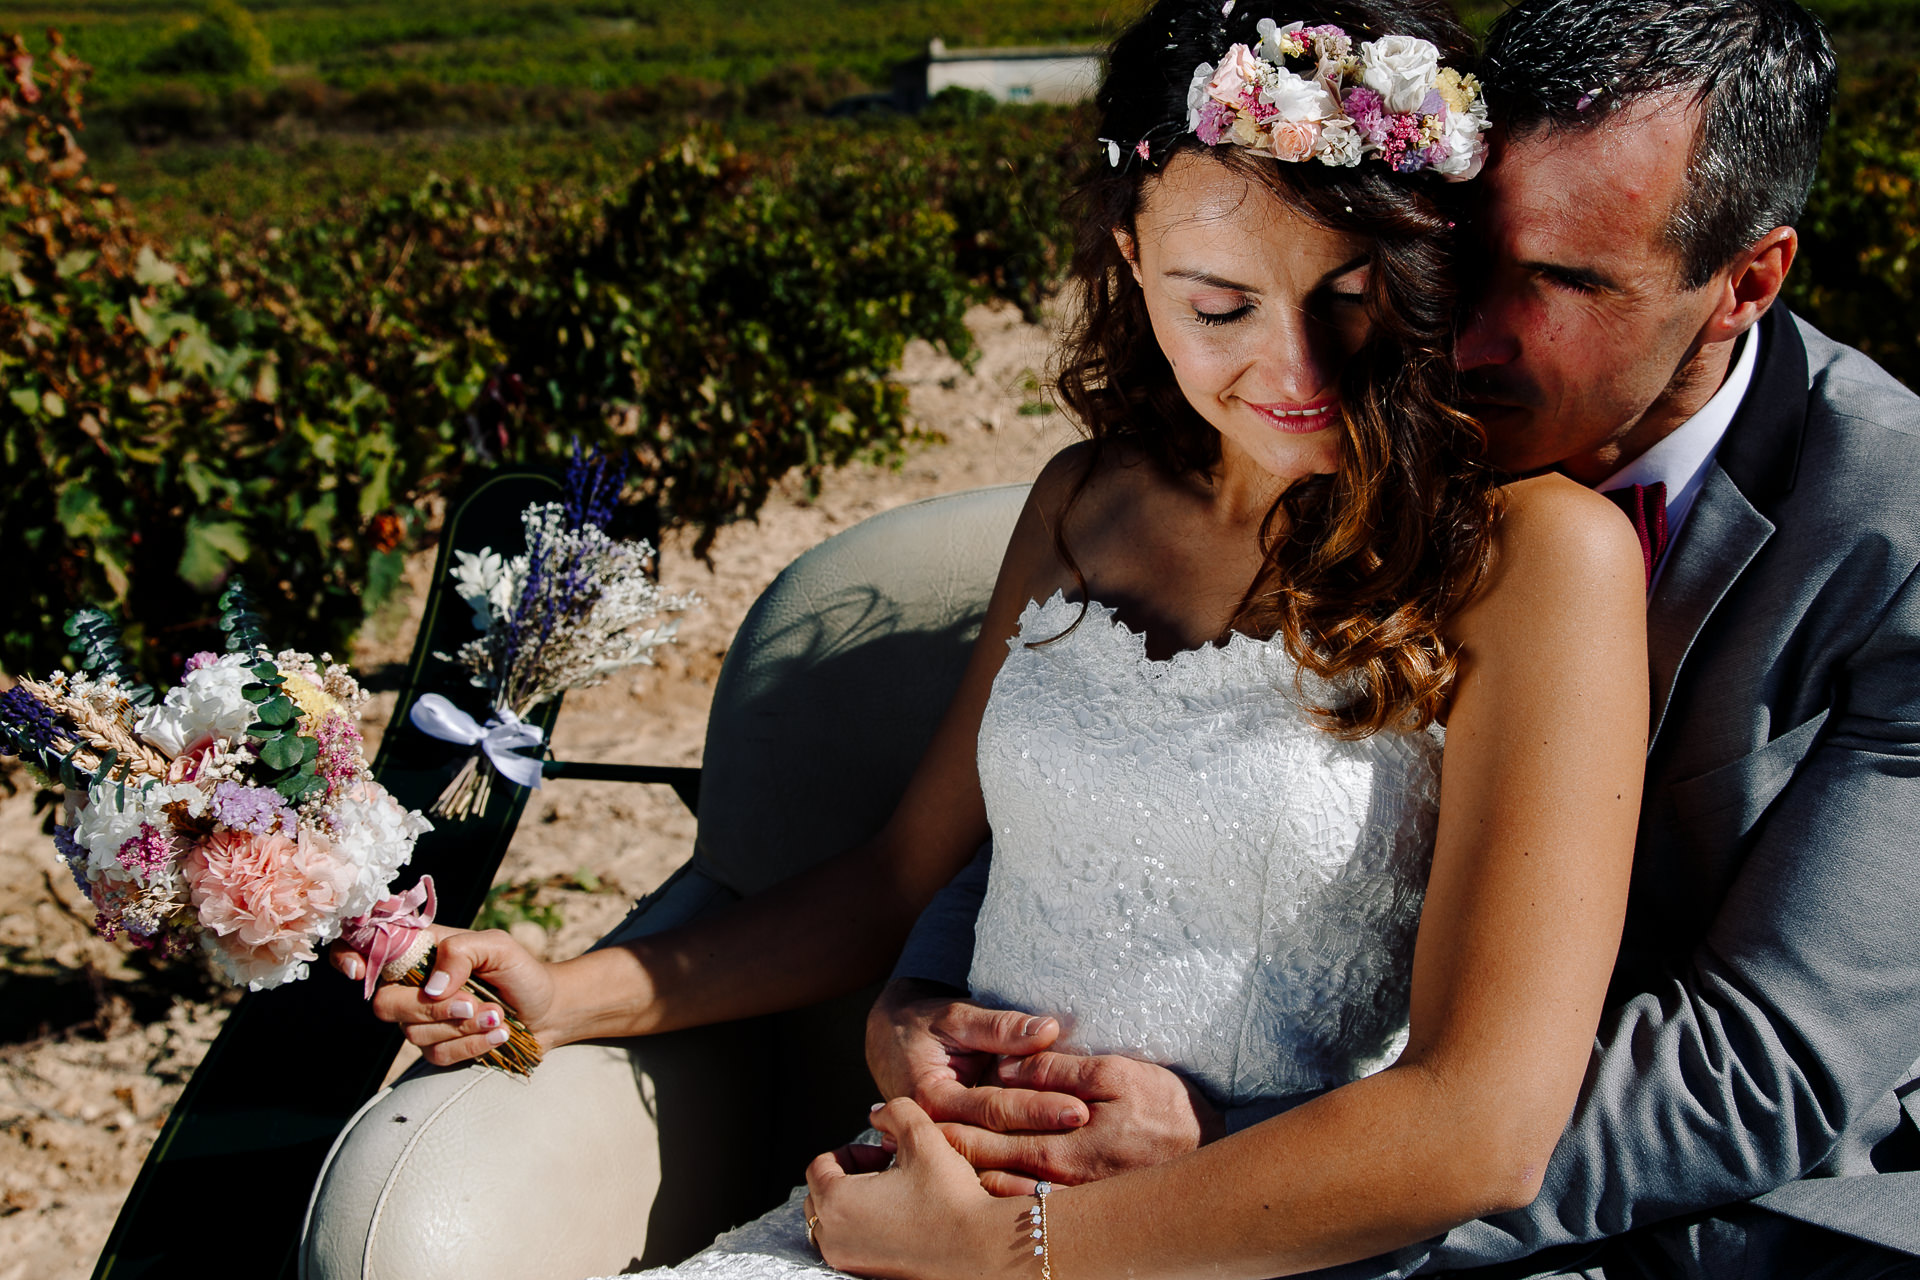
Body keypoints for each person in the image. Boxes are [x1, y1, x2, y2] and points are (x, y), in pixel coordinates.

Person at [334, 1, 1654, 1276]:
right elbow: (890, 882)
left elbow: (1484, 1129)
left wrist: (1016, 1257)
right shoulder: (1085, 504)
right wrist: (568, 991)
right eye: (1218, 305)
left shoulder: (1538, 560)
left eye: (1353, 296)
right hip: (915, 1217)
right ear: (1134, 268)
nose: (1295, 370)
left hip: (1228, 1253)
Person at [870, 1, 1920, 1277]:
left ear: (1745, 283)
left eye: (1566, 281)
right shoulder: (1346, 428)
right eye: (1457, 258)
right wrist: (936, 1000)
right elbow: (1143, 758)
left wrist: (1255, 1159)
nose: (1467, 333)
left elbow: (1759, 1068)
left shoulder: (1897, 540)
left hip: (1698, 1217)